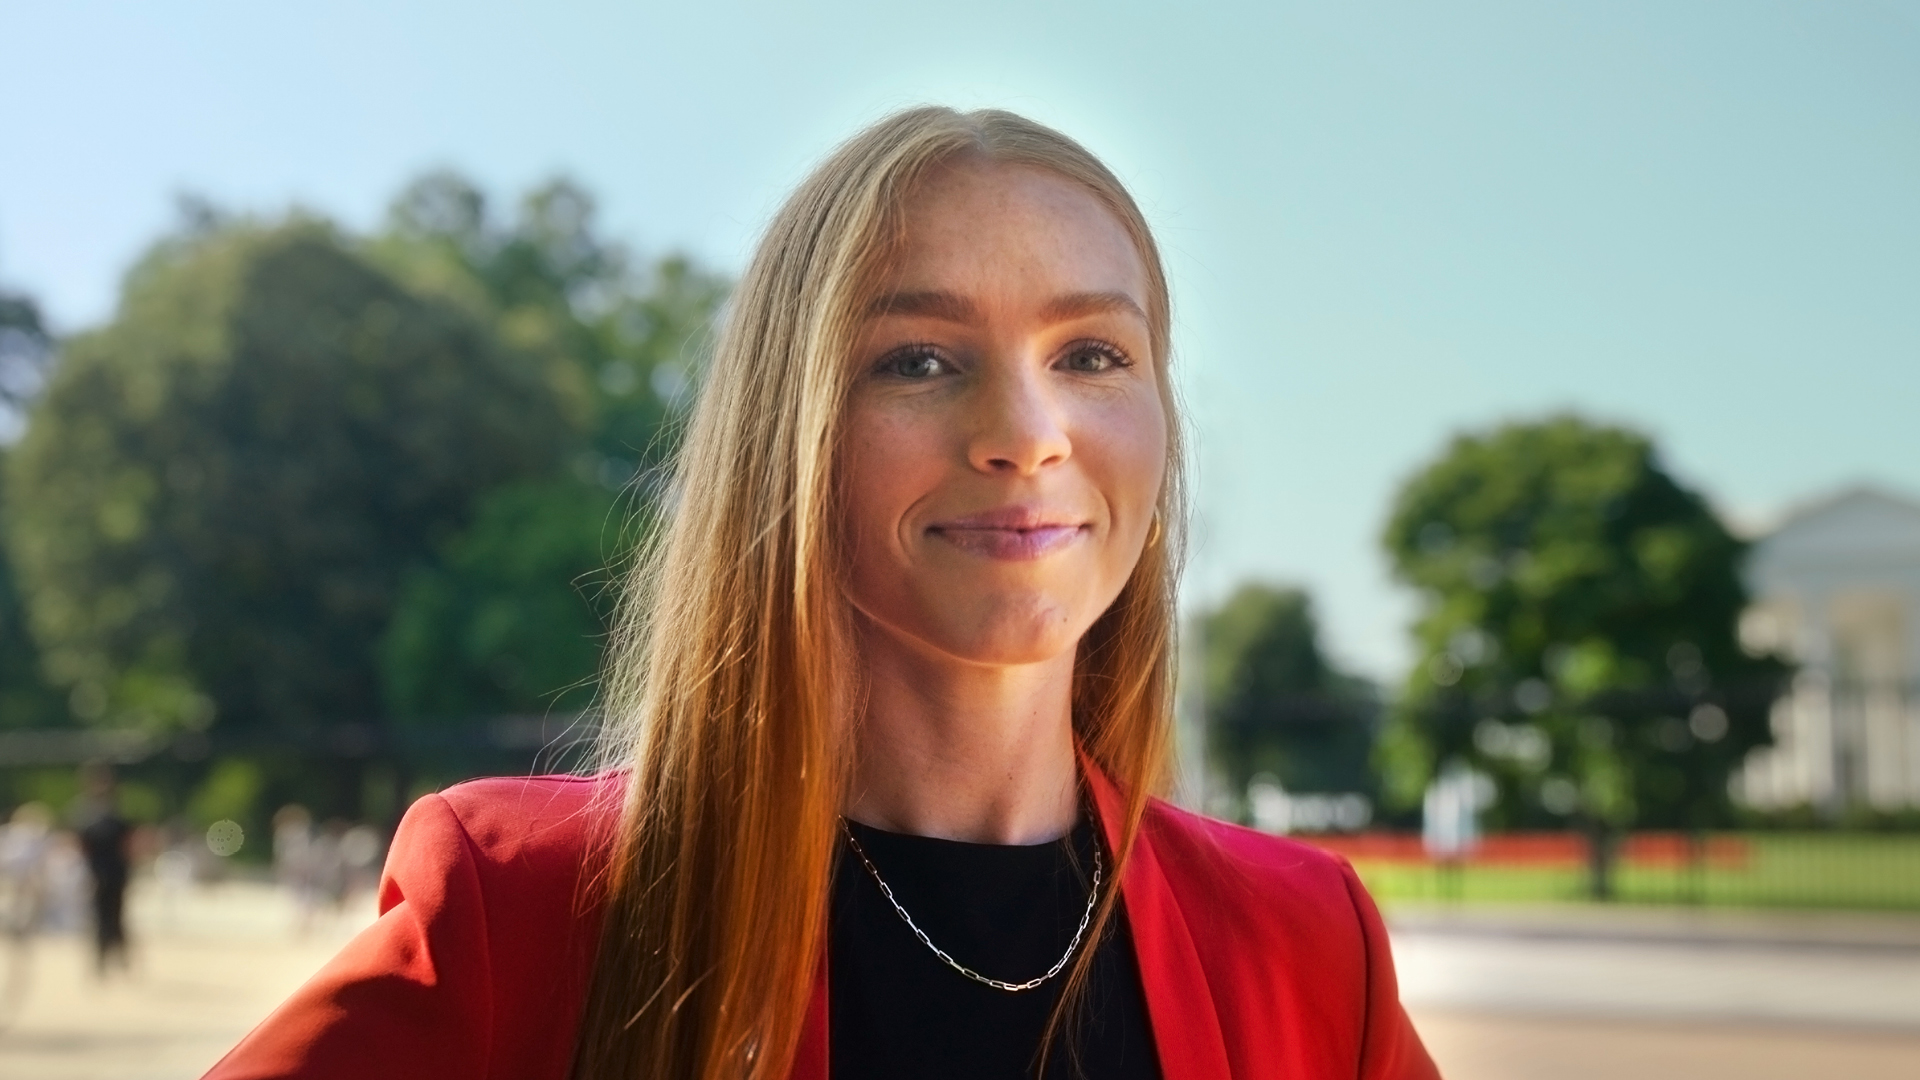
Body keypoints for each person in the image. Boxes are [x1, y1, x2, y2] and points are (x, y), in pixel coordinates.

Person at [204, 107, 1439, 1080]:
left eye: (1091, 355)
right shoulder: (525, 908)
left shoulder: (1309, 944)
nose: (1026, 433)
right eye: (918, 360)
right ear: (787, 438)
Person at [74, 763, 134, 976]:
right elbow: (82, 847)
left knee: (117, 915)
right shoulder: (85, 814)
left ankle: (120, 956)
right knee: (100, 917)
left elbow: (127, 844)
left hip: (116, 872)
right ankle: (101, 960)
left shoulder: (116, 812)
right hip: (97, 872)